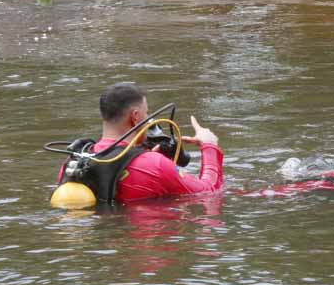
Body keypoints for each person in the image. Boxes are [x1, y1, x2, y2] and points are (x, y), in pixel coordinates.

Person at [57, 82, 223, 203]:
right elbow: (209, 192)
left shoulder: (72, 163)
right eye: (147, 113)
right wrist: (209, 146)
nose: (149, 120)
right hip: (145, 246)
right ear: (135, 116)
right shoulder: (155, 165)